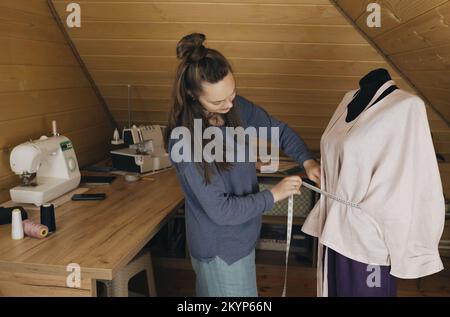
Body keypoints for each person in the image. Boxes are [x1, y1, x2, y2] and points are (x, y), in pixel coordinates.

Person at [164, 33, 320, 297]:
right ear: (191, 95)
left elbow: (277, 129)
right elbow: (222, 211)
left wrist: (308, 161)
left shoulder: (231, 107)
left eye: (232, 93)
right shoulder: (186, 142)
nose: (229, 104)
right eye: (218, 101)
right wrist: (274, 194)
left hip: (241, 239)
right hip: (221, 249)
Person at [302, 68, 445, 297]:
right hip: (333, 228)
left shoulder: (406, 106)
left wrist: (419, 245)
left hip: (368, 237)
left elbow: (420, 178)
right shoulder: (349, 99)